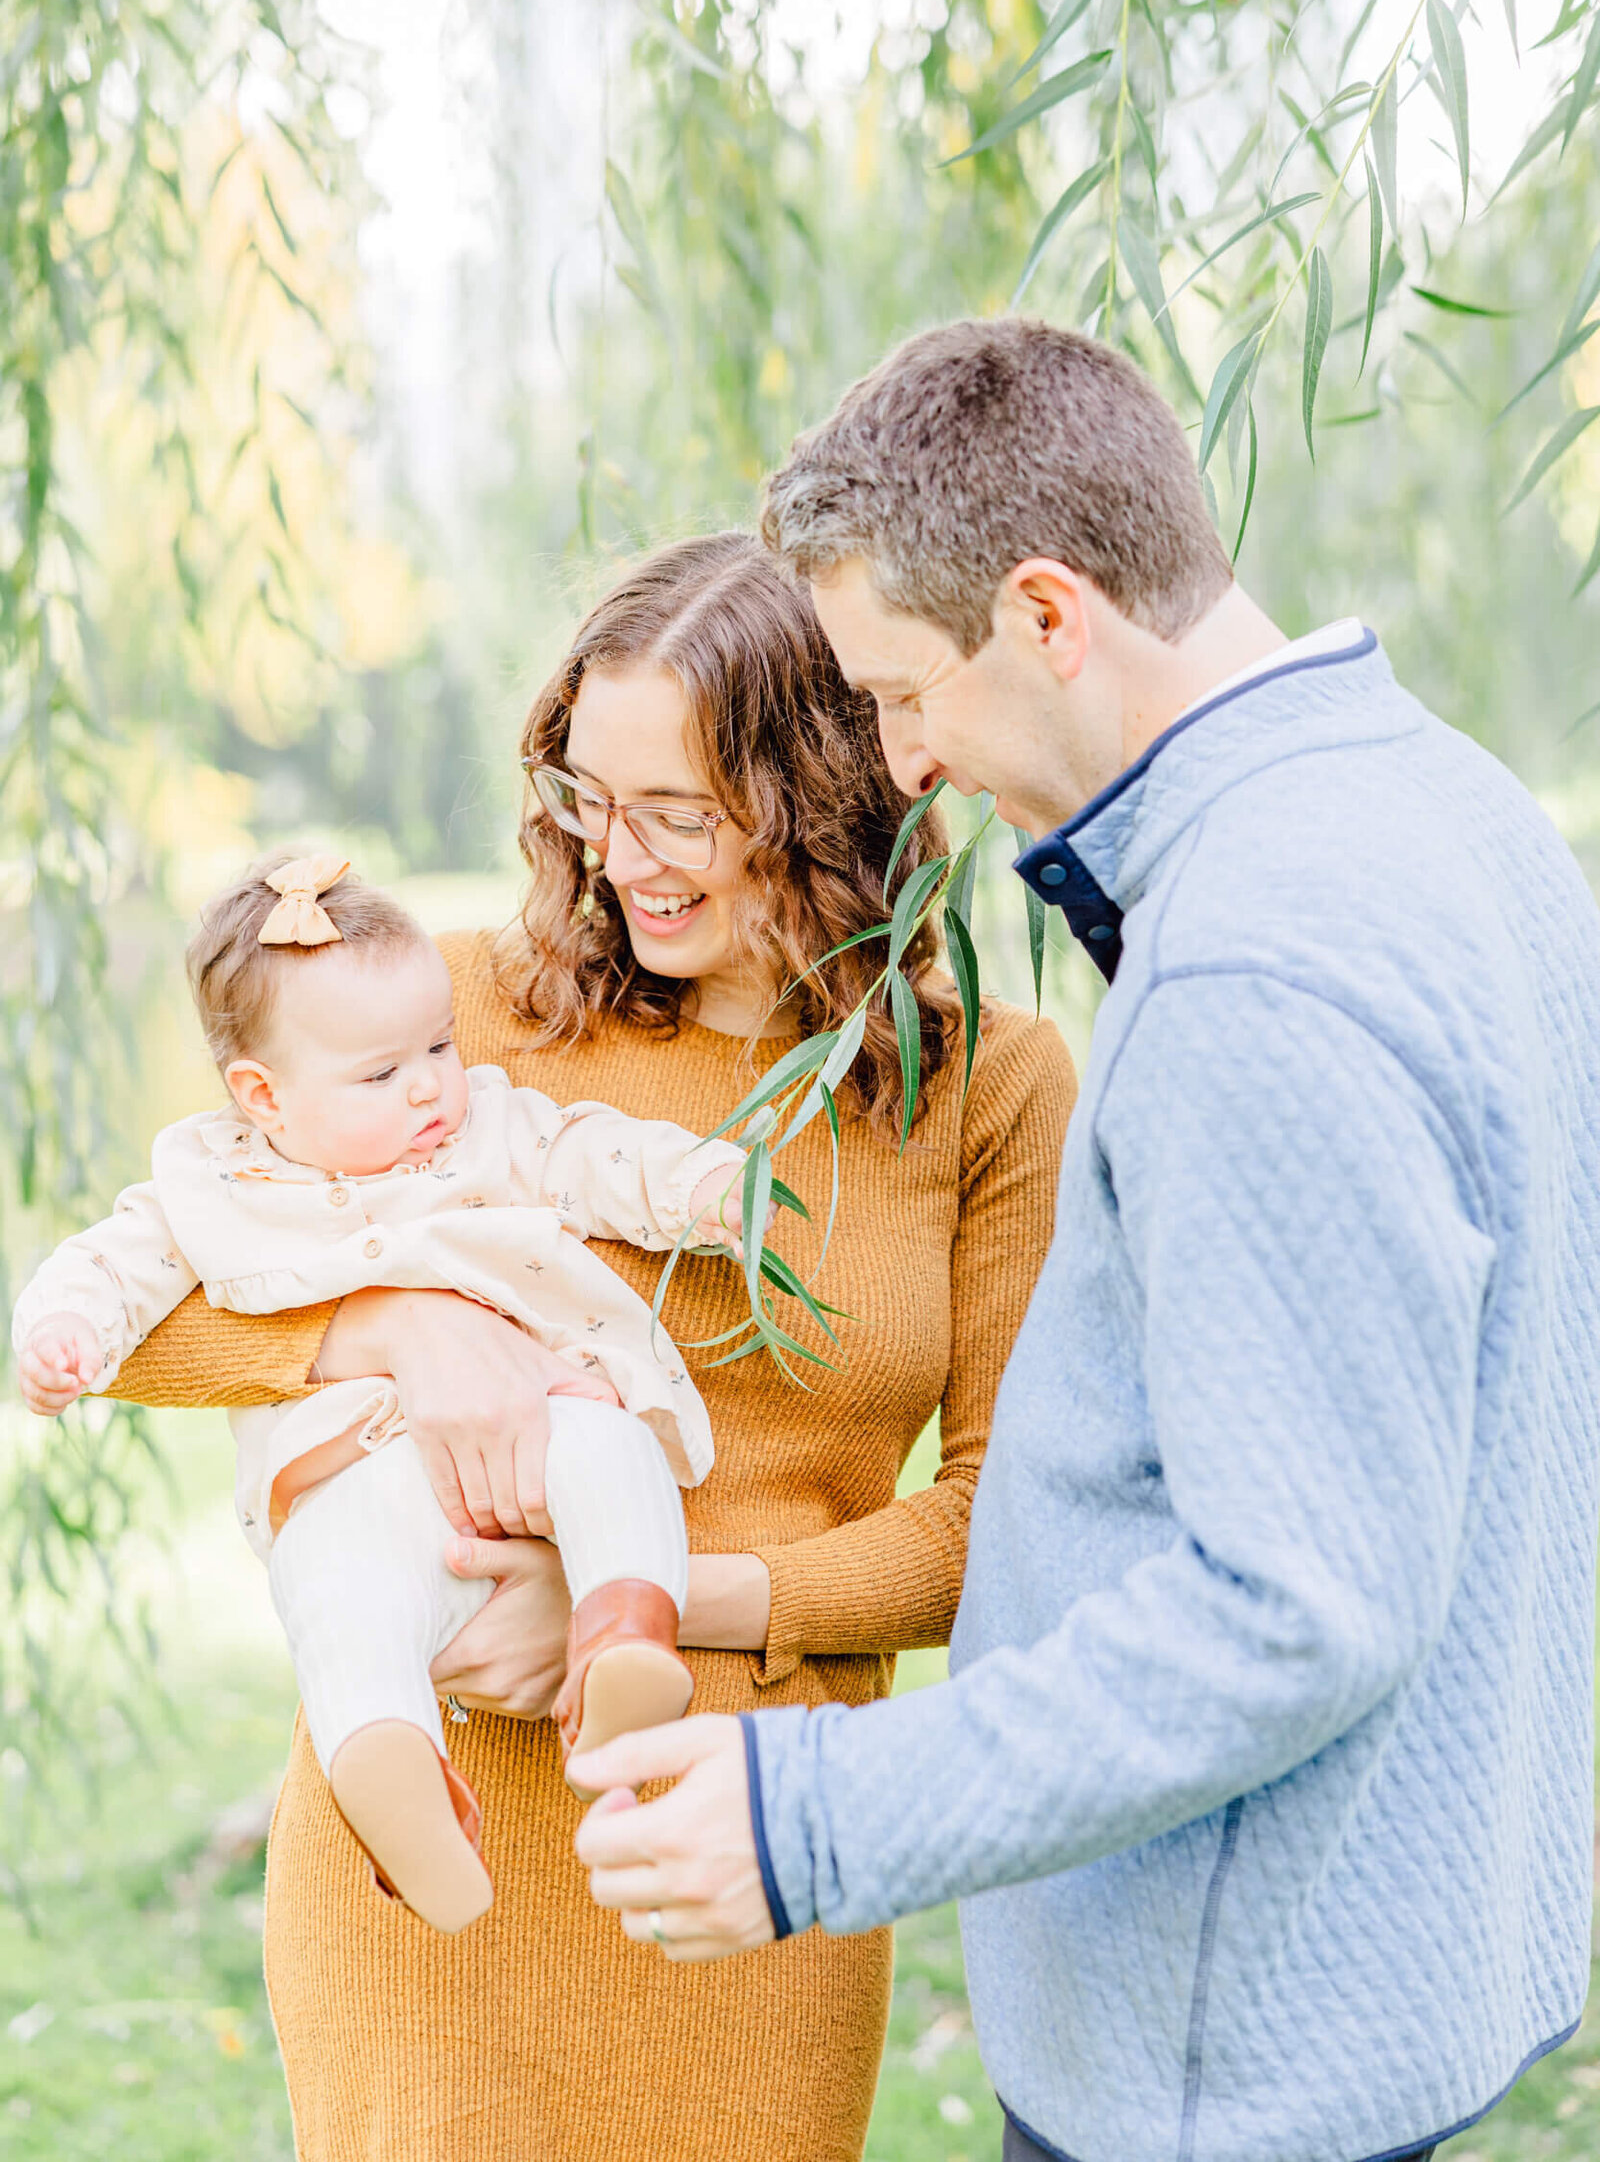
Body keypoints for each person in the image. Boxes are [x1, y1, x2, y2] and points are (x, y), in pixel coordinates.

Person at [571, 322, 1600, 2162]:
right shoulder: (1449, 806)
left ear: (1050, 615)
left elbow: (1297, 1606)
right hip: (1386, 1963)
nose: (903, 765)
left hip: (1224, 2055)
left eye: (901, 693)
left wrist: (811, 1818)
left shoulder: (1255, 961)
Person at [94, 530, 1075, 2162]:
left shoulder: (984, 1085)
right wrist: (389, 1326)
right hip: (437, 1892)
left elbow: (996, 1524)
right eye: (588, 800)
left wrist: (649, 1595)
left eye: (680, 813)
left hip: (735, 1856)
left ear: (837, 791)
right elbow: (154, 1295)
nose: (625, 858)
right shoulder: (455, 1013)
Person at [14, 852, 755, 1932]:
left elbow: (596, 1155)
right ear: (261, 1097)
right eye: (380, 1074)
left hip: (536, 1424)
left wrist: (704, 1190)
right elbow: (117, 1265)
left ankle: (623, 1634)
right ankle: (394, 1778)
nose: (429, 1086)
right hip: (352, 1484)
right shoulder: (212, 1181)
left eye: (441, 1048)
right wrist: (64, 1329)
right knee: (338, 1598)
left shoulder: (487, 1127)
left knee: (612, 1454)